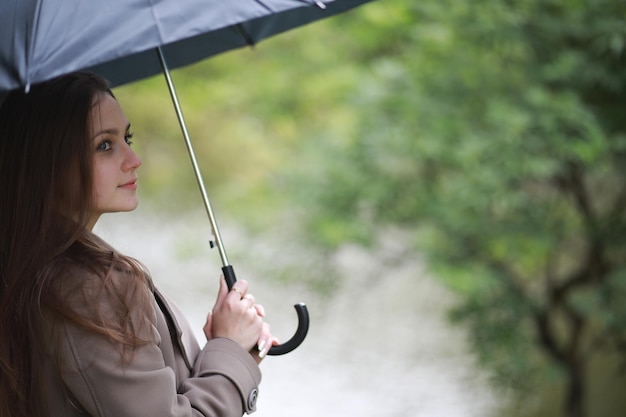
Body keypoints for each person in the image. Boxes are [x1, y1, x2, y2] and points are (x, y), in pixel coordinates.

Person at [0, 72, 276, 417]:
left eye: (127, 137)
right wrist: (230, 348)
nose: (133, 159)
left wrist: (226, 355)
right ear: (46, 162)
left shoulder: (23, 264)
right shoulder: (95, 290)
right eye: (105, 145)